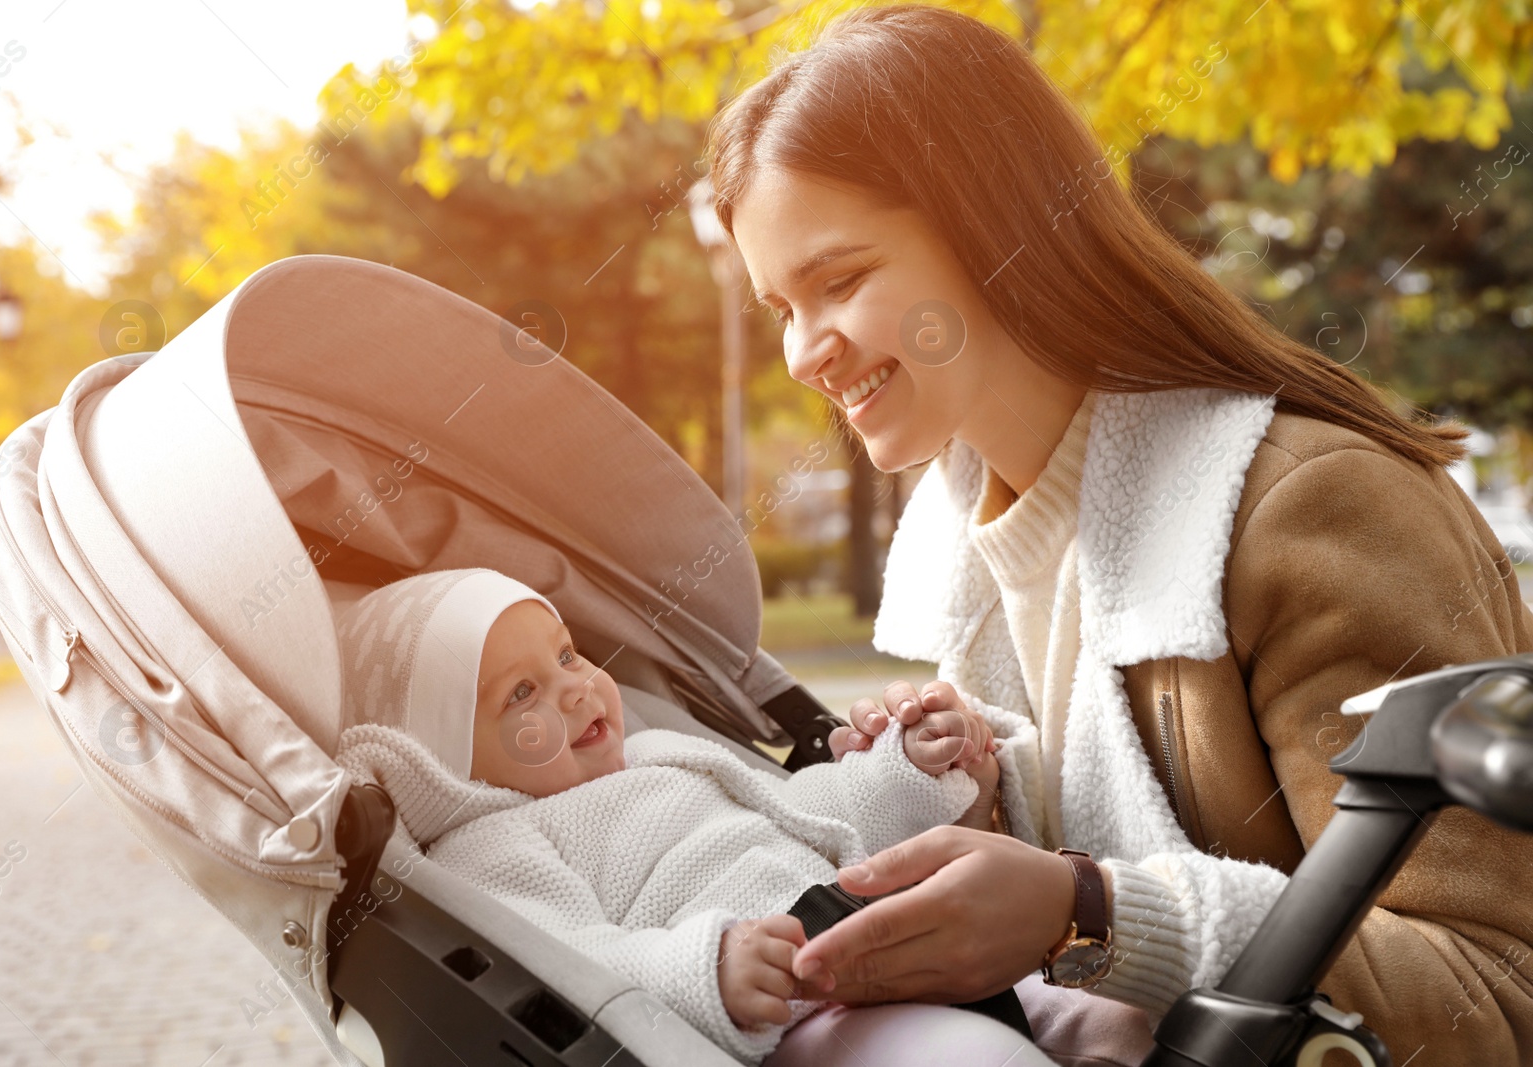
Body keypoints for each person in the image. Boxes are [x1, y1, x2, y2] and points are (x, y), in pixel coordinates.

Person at [702, 4, 1533, 1064]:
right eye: (778, 303)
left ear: (993, 231)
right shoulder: (976, 559)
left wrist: (1085, 913)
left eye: (839, 279)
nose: (801, 354)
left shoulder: (1309, 508)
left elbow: (1492, 999)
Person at [333, 568, 1054, 1066]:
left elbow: (804, 809)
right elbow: (573, 965)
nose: (578, 688)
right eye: (523, 692)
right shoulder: (492, 846)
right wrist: (707, 968)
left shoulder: (658, 754)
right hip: (797, 1016)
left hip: (886, 943)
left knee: (1099, 1014)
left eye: (567, 654)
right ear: (445, 754)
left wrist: (905, 771)